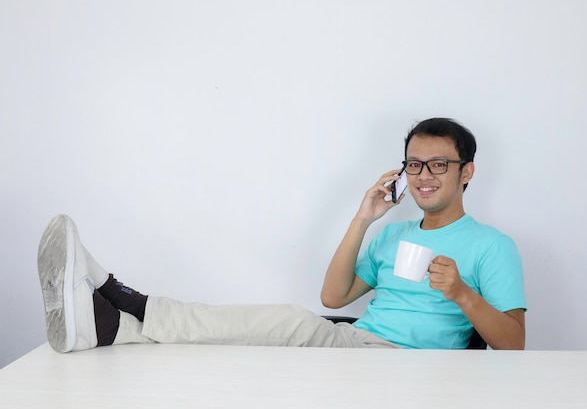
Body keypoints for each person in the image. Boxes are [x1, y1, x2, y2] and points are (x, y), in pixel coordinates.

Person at [37, 117, 526, 353]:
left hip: (408, 366)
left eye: (439, 164)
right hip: (356, 346)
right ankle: (117, 325)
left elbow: (514, 346)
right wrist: (363, 218)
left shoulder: (492, 247)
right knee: (254, 334)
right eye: (414, 164)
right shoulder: (389, 238)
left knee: (285, 321)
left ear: (467, 173)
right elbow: (333, 297)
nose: (424, 175)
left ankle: (124, 301)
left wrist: (461, 293)